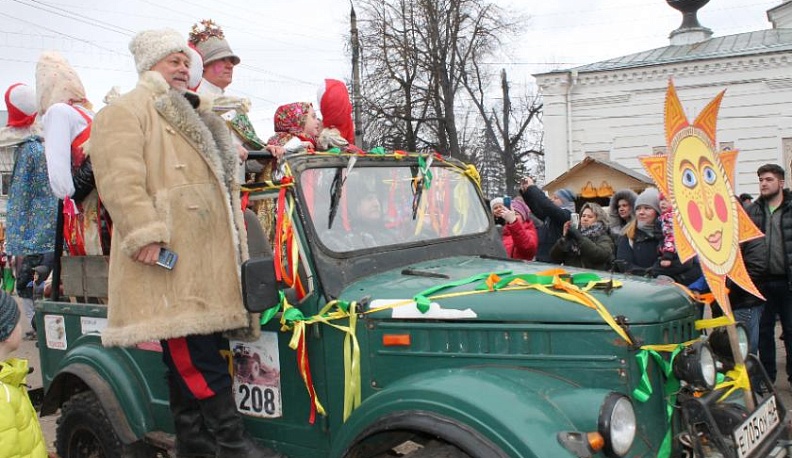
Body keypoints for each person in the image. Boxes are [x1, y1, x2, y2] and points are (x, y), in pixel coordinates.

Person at [88, 28, 282, 458]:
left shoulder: (193, 110)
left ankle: (194, 443)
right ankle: (232, 443)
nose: (181, 67)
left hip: (204, 258)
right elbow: (119, 180)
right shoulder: (126, 111)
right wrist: (144, 235)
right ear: (149, 63)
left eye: (183, 60)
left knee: (192, 355)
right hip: (165, 260)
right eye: (172, 60)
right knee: (193, 355)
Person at [36, 51, 110, 256]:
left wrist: (67, 193)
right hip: (108, 203)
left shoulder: (58, 112)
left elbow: (61, 181)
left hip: (87, 210)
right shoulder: (89, 113)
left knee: (89, 273)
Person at [1, 83, 58, 336]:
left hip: (32, 237)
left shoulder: (27, 151)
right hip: (52, 230)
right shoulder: (44, 147)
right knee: (45, 280)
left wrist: (14, 240)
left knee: (27, 282)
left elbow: (20, 196)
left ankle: (37, 325)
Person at [747, 163, 792, 385]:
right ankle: (767, 381)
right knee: (764, 334)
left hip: (788, 282)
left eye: (769, 180)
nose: (763, 184)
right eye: (761, 180)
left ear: (781, 183)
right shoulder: (753, 211)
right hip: (762, 283)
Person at [0, 290, 47, 456]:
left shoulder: (8, 379)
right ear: (6, 332)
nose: (21, 327)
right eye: (17, 322)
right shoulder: (3, 396)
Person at [518, 176, 574, 263]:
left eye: (556, 198)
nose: (552, 199)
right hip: (543, 258)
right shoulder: (552, 215)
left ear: (565, 200)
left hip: (553, 261)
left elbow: (545, 204)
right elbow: (536, 208)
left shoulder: (566, 215)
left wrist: (532, 187)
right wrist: (525, 192)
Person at [550, 202, 614, 270]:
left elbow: (600, 255)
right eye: (583, 216)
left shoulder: (603, 237)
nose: (585, 219)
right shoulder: (574, 235)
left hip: (592, 278)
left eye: (590, 217)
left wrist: (580, 238)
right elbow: (555, 258)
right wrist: (564, 239)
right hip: (571, 276)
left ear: (598, 220)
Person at [615, 187, 662, 275]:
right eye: (638, 208)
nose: (641, 212)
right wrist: (648, 274)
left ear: (657, 211)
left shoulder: (669, 236)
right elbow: (624, 264)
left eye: (647, 208)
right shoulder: (629, 236)